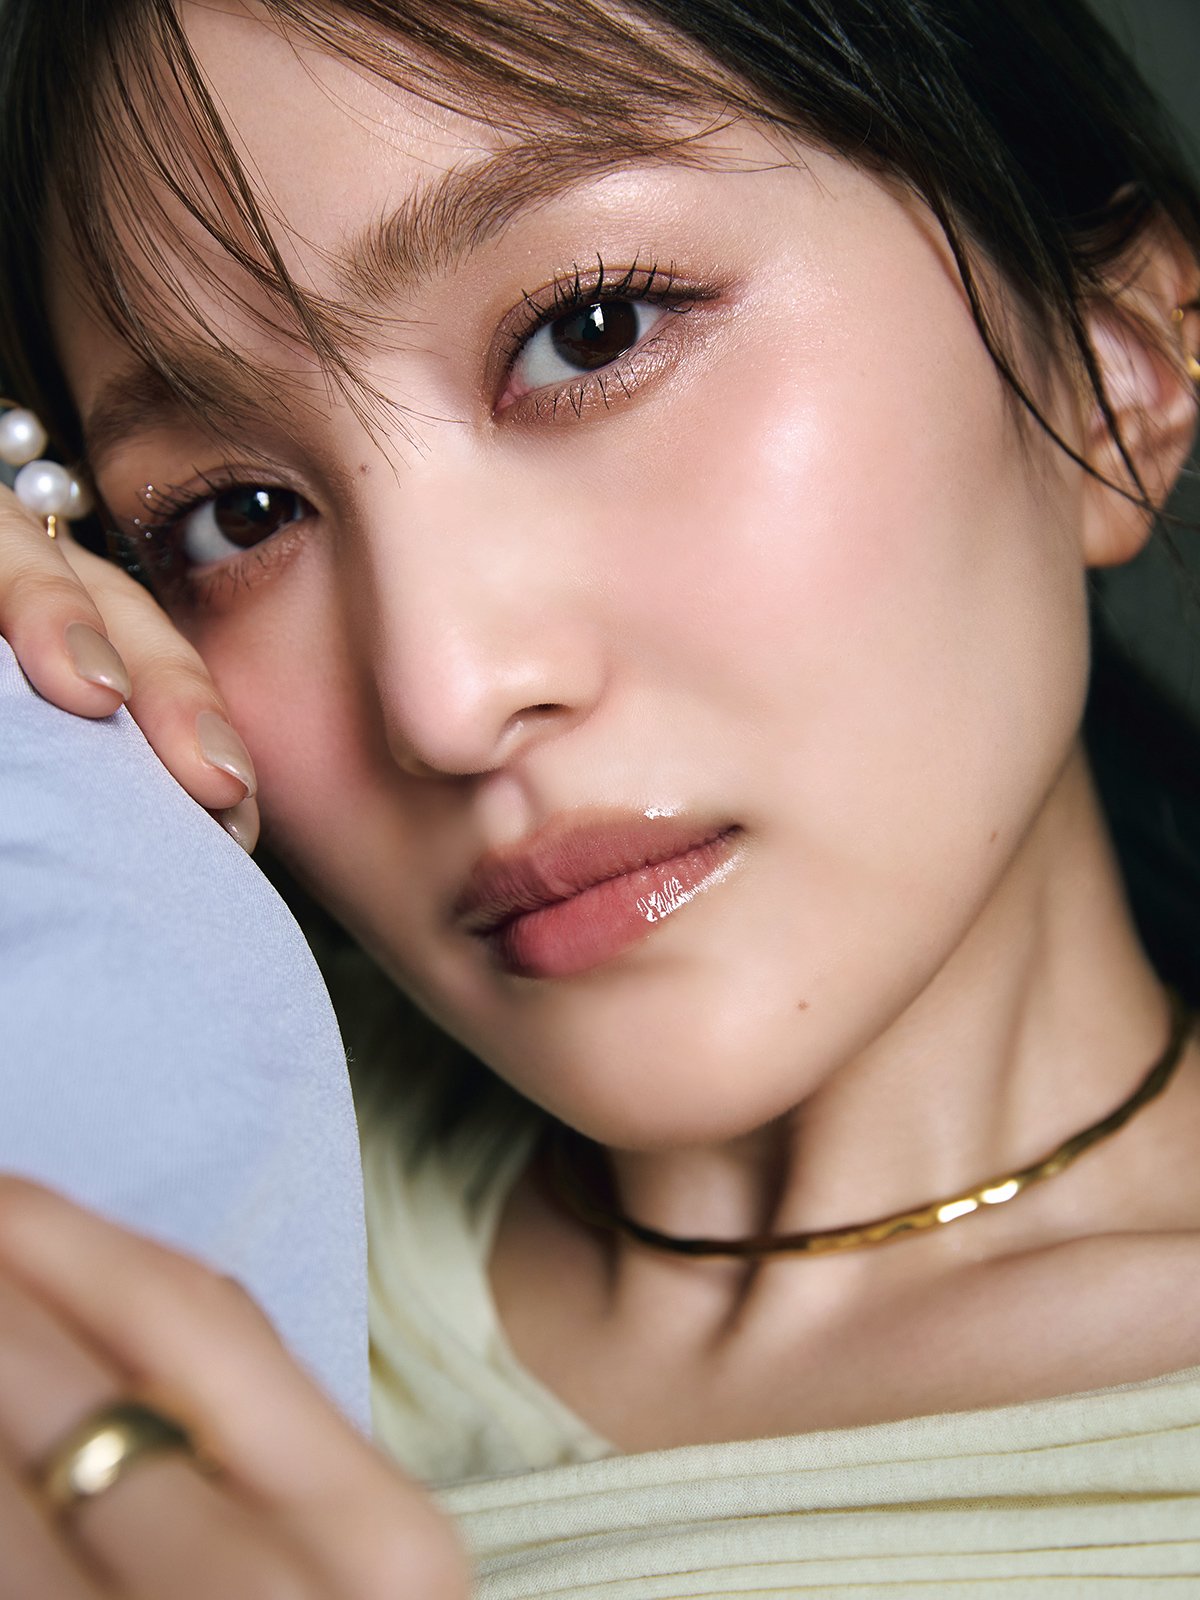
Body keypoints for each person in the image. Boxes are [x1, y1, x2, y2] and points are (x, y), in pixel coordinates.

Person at [0, 0, 1199, 1594]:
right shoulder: (121, 1182)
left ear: (1116, 374)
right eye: (239, 514)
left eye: (593, 330)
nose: (446, 697)